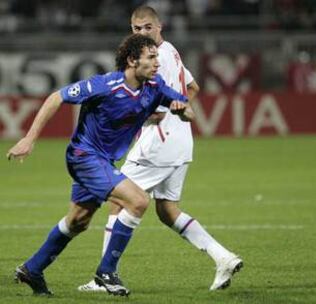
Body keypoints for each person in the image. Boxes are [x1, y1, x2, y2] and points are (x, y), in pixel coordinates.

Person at [8, 34, 190, 297]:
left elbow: (188, 110)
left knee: (78, 221)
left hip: (103, 160)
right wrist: (29, 138)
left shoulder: (155, 86)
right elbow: (56, 97)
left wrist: (181, 108)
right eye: (151, 58)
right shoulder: (104, 85)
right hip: (84, 156)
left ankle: (32, 269)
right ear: (132, 60)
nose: (157, 63)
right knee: (138, 201)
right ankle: (107, 271)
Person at [78, 5, 243, 293]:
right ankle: (223, 257)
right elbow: (192, 88)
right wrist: (176, 106)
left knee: (118, 201)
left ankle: (104, 277)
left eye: (147, 28)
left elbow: (155, 109)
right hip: (181, 142)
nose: (142, 33)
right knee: (167, 210)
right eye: (136, 29)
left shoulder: (154, 59)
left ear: (159, 26)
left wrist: (153, 111)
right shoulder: (171, 52)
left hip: (158, 143)